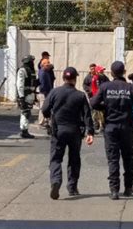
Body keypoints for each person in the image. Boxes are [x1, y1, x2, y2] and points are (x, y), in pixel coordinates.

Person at [91, 61, 133, 200]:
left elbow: (94, 103)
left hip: (111, 127)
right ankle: (128, 187)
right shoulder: (132, 88)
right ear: (124, 72)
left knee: (113, 159)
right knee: (128, 158)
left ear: (112, 73)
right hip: (126, 126)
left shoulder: (105, 87)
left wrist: (106, 107)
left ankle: (114, 189)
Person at [42, 67, 95, 200]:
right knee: (74, 159)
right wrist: (90, 132)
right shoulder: (80, 95)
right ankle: (72, 187)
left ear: (63, 78)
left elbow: (45, 110)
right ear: (75, 79)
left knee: (56, 158)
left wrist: (50, 116)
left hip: (58, 130)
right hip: (75, 131)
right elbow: (87, 115)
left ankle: (56, 180)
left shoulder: (54, 92)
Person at [16, 55, 38, 139]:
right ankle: (24, 131)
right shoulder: (22, 70)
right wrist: (21, 97)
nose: (33, 62)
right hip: (25, 95)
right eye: (31, 61)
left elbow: (33, 83)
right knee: (25, 113)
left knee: (27, 113)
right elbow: (20, 84)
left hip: (30, 95)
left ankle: (25, 130)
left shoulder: (31, 70)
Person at [91, 65, 109, 132]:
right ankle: (98, 125)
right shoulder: (96, 78)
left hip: (103, 97)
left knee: (102, 112)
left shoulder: (104, 77)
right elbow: (97, 89)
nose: (102, 71)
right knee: (97, 113)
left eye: (103, 70)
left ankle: (102, 125)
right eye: (101, 70)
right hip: (97, 97)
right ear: (97, 71)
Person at [37, 58, 54, 129]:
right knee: (43, 108)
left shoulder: (45, 71)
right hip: (44, 93)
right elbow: (43, 84)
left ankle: (45, 122)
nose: (48, 65)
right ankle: (41, 123)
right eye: (47, 64)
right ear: (43, 65)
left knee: (45, 107)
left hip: (46, 92)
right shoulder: (43, 73)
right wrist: (46, 93)